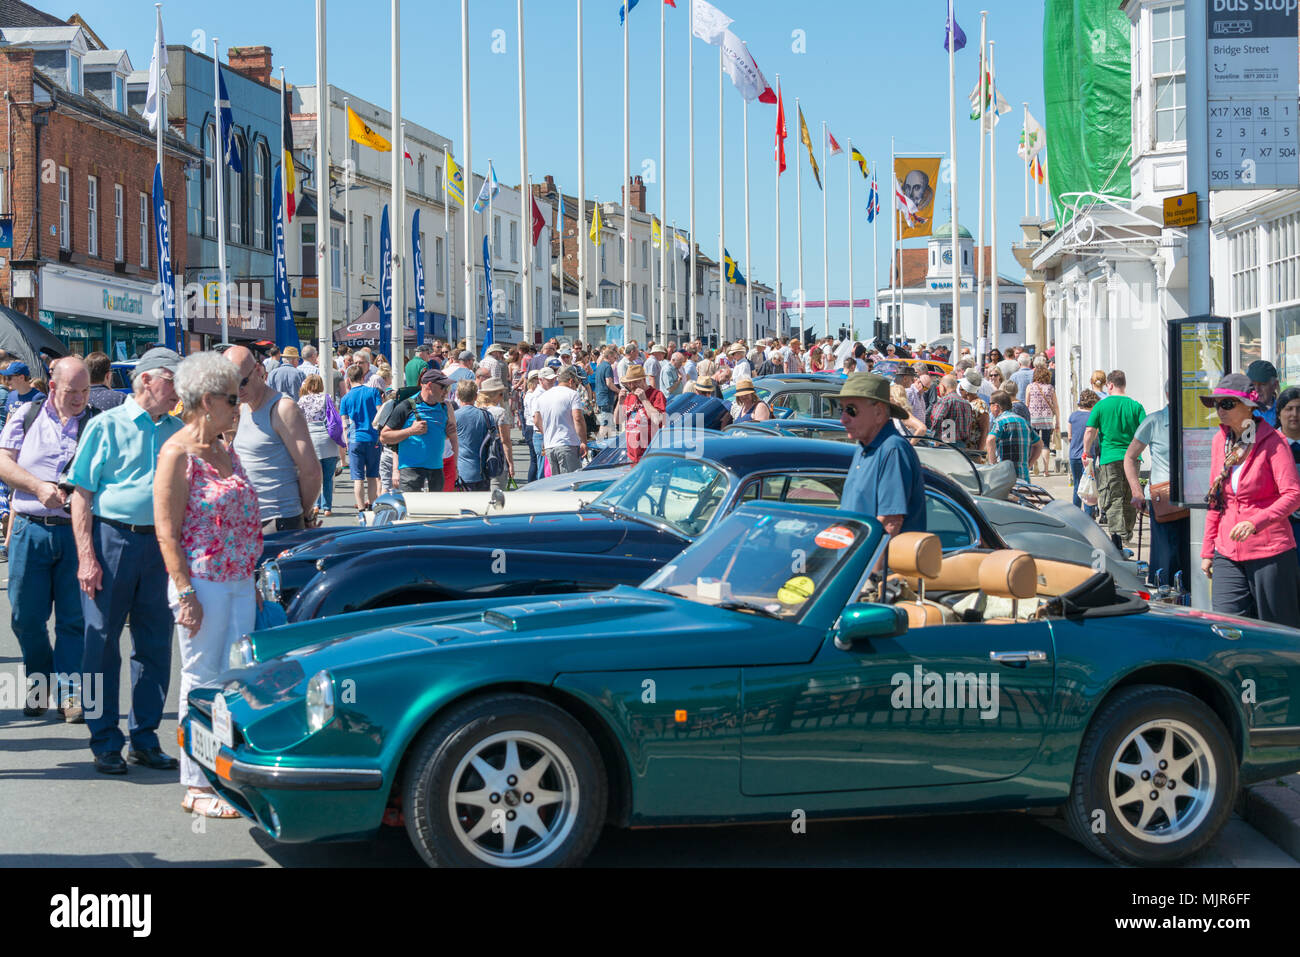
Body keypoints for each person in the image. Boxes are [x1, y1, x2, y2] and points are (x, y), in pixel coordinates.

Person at [153, 352, 261, 818]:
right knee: (202, 679)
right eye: (232, 398)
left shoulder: (223, 447)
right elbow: (166, 531)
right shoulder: (177, 453)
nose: (239, 405)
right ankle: (196, 783)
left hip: (238, 579)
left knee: (234, 678)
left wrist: (251, 575)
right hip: (202, 582)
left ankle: (223, 771)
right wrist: (184, 592)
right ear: (205, 400)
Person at [68, 347, 184, 776]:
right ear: (147, 379)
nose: (179, 390)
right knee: (100, 643)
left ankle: (145, 738)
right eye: (172, 380)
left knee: (155, 644)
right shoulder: (106, 425)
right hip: (112, 539)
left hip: (161, 545)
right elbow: (81, 494)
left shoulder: (178, 430)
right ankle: (104, 740)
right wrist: (86, 557)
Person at [0, 357, 93, 720]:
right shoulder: (26, 415)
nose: (79, 398)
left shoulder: (96, 423)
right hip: (30, 529)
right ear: (52, 387)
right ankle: (39, 683)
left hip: (76, 532)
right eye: (72, 391)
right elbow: (4, 463)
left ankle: (70, 694)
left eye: (85, 391)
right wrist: (38, 487)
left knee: (73, 620)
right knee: (25, 617)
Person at [1200, 373, 1300, 627]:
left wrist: (1256, 522)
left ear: (1249, 406)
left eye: (1227, 404)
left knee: (1277, 631)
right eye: (1216, 404)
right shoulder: (1220, 441)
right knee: (1227, 627)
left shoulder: (1273, 441)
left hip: (1270, 551)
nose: (1220, 410)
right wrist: (1208, 550)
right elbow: (1215, 500)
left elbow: (1293, 495)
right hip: (1227, 550)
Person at [226, 346, 321, 531]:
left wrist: (306, 515)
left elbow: (311, 472)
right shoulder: (244, 407)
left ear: (258, 370)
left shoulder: (283, 409)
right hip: (248, 521)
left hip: (277, 521)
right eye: (231, 385)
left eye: (242, 382)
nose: (238, 390)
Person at [836, 372, 926, 535]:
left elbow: (890, 523)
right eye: (841, 409)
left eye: (851, 410)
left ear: (878, 412)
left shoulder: (893, 449)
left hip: (870, 551)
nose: (843, 419)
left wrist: (858, 552)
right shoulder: (864, 447)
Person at [1124, 382, 1190, 591]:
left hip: (1194, 499)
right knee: (1166, 557)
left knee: (1190, 557)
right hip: (1164, 501)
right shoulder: (1154, 421)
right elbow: (1130, 457)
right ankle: (1165, 596)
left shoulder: (1197, 420)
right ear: (1169, 394)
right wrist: (1137, 491)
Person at [1083, 370, 1146, 551]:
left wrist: (1086, 452)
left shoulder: (1101, 406)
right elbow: (1145, 431)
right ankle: (1127, 533)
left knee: (1112, 496)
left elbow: (1090, 431)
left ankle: (1118, 536)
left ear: (1110, 385)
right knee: (1130, 495)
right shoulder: (1136, 406)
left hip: (1110, 458)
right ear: (1123, 384)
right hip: (1132, 458)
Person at [381, 367, 459, 492]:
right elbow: (384, 437)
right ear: (429, 385)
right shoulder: (406, 406)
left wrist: (448, 434)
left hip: (437, 471)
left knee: (438, 505)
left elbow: (443, 436)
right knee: (411, 505)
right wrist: (410, 431)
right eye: (443, 387)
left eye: (447, 387)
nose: (446, 391)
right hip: (411, 471)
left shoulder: (445, 407)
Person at [297, 375, 345, 517]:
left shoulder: (302, 400)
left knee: (315, 477)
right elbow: (335, 416)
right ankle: (327, 508)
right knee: (328, 478)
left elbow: (297, 419)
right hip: (328, 440)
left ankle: (316, 505)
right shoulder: (327, 398)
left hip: (311, 441)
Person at [339, 363, 384, 511]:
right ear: (363, 377)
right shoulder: (373, 392)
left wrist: (346, 441)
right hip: (372, 438)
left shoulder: (345, 398)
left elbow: (344, 423)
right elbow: (380, 413)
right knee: (372, 476)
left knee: (357, 478)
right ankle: (371, 506)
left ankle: (360, 509)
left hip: (355, 439)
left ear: (348, 379)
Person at [535, 365, 587, 475]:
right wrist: (583, 441)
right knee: (570, 481)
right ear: (571, 381)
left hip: (550, 446)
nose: (576, 387)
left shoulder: (543, 396)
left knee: (556, 483)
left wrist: (547, 433)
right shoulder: (572, 394)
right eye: (576, 384)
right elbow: (577, 418)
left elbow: (536, 420)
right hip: (567, 444)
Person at [986, 390, 1042, 482]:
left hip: (1005, 478)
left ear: (996, 406)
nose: (990, 408)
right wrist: (1029, 464)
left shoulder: (1000, 422)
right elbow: (1039, 444)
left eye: (990, 404)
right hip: (1023, 477)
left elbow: (990, 440)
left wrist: (993, 465)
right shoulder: (1024, 422)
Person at [617, 364, 667, 465]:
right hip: (632, 455)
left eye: (635, 382)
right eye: (629, 383)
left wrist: (644, 399)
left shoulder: (657, 395)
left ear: (644, 380)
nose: (632, 386)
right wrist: (620, 403)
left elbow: (658, 419)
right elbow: (618, 420)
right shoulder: (629, 396)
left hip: (650, 455)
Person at [1274, 386, 1300, 563]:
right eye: (1289, 409)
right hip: (1279, 527)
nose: (1294, 414)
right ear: (1279, 413)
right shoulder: (1269, 445)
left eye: (1299, 409)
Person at [1067, 389, 1101, 517]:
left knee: (1077, 484)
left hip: (1074, 454)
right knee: (1088, 485)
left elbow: (1069, 436)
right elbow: (1094, 435)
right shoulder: (1093, 417)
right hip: (1088, 455)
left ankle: (1075, 514)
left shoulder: (1072, 416)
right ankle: (1088, 515)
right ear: (1093, 403)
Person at [477, 380, 514, 493]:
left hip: (478, 456)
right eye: (501, 394)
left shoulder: (476, 410)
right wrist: (510, 463)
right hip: (496, 458)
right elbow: (505, 441)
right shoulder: (500, 412)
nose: (502, 397)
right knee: (496, 491)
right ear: (494, 395)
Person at [1024, 364, 1059, 477]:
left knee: (1032, 443)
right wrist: (1058, 421)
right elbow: (1056, 406)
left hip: (1033, 418)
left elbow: (1027, 404)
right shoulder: (1050, 388)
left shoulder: (1030, 387)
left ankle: (1033, 465)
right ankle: (1046, 470)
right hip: (1047, 419)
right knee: (1046, 444)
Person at [928, 375, 973, 446]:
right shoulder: (967, 404)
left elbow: (937, 418)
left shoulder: (945, 400)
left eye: (939, 387)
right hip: (962, 445)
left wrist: (935, 438)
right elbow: (969, 426)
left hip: (946, 445)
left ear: (943, 386)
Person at [521, 369, 544, 482]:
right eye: (536, 379)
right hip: (531, 426)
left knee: (535, 459)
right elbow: (533, 414)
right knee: (535, 459)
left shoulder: (530, 394)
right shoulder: (531, 395)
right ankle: (532, 482)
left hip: (530, 425)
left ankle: (532, 481)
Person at [1246, 360, 1280, 428]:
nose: (1257, 389)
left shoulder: (1283, 411)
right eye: (1252, 384)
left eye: (1262, 384)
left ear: (1275, 385)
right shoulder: (1241, 411)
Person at [592, 346, 618, 437]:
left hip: (600, 397)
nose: (615, 359)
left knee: (606, 422)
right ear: (609, 356)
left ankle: (606, 441)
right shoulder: (607, 367)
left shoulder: (600, 366)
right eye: (614, 357)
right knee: (605, 423)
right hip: (606, 398)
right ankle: (600, 441)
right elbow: (609, 383)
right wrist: (618, 390)